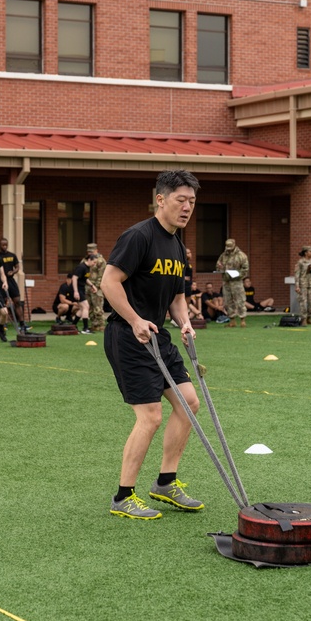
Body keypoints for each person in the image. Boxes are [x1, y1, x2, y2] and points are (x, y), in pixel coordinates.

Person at [102, 169, 203, 520]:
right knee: (150, 416)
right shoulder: (139, 236)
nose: (187, 207)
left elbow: (176, 295)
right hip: (128, 336)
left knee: (189, 402)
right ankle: (123, 496)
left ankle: (164, 482)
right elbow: (109, 281)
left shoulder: (177, 244)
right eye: (180, 200)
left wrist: (185, 321)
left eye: (192, 201)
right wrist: (134, 319)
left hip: (158, 335)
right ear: (160, 199)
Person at [215, 238, 249, 328]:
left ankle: (242, 320)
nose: (228, 249)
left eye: (230, 247)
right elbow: (218, 264)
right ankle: (232, 320)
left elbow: (245, 269)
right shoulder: (224, 255)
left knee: (240, 300)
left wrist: (237, 274)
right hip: (226, 281)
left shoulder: (241, 255)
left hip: (237, 281)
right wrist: (220, 267)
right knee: (228, 301)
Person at [0, 237, 29, 332]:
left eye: (6, 245)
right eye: (3, 245)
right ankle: (4, 324)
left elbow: (17, 266)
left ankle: (22, 323)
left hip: (11, 281)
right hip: (1, 282)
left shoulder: (12, 255)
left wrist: (13, 272)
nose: (5, 246)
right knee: (3, 303)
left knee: (17, 301)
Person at [294, 245, 311, 324]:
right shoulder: (300, 262)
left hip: (310, 284)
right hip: (303, 284)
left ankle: (309, 317)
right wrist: (297, 286)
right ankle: (303, 319)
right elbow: (297, 274)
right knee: (303, 302)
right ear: (305, 252)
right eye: (310, 251)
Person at [70, 254, 94, 334]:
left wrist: (92, 285)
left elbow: (85, 279)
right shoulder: (81, 267)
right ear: (89, 260)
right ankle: (85, 328)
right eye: (94, 262)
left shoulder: (87, 268)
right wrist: (76, 291)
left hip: (81, 289)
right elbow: (74, 278)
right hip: (77, 289)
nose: (94, 264)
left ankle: (73, 326)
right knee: (86, 307)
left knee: (82, 309)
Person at [87, 242, 107, 332]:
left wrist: (96, 286)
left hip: (97, 288)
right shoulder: (85, 259)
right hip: (87, 287)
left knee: (98, 307)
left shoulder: (101, 261)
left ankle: (101, 326)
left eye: (92, 251)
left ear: (96, 250)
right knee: (90, 308)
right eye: (89, 252)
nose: (90, 253)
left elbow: (102, 275)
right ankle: (93, 325)